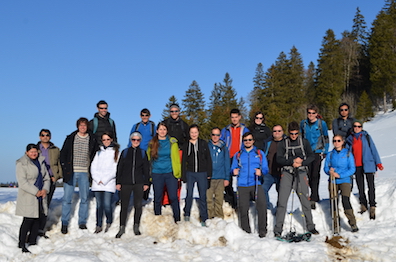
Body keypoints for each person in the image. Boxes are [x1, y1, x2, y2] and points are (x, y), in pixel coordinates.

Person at [274, 121, 319, 237]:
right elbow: (278, 159)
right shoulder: (283, 143)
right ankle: (278, 228)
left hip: (301, 173)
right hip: (287, 173)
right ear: (288, 132)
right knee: (282, 202)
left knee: (305, 200)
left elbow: (311, 156)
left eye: (295, 133)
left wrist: (302, 162)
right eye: (291, 134)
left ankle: (311, 226)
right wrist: (291, 162)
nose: (294, 136)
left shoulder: (304, 142)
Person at [60, 117, 98, 234]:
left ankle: (82, 222)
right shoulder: (71, 138)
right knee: (67, 199)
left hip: (84, 172)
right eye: (81, 125)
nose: (83, 127)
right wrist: (65, 168)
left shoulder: (92, 139)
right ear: (77, 126)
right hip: (71, 172)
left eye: (85, 125)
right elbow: (63, 154)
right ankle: (64, 222)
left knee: (84, 198)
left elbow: (95, 155)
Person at [231, 132, 269, 238]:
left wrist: (260, 172)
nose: (248, 142)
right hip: (242, 184)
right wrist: (234, 171)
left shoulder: (259, 153)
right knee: (243, 208)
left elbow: (265, 169)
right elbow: (232, 168)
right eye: (245, 140)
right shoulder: (238, 154)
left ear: (253, 141)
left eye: (250, 140)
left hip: (256, 183)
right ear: (243, 142)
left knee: (262, 206)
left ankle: (262, 230)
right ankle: (246, 230)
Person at [16, 144, 50, 253]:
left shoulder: (41, 161)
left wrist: (45, 190)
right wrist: (36, 192)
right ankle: (21, 244)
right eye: (31, 152)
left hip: (40, 195)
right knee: (28, 220)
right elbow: (23, 182)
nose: (34, 153)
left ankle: (32, 241)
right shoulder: (21, 163)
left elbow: (46, 178)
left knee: (37, 218)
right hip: (29, 195)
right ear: (26, 153)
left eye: (35, 151)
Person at [346, 120, 383, 220]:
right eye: (355, 126)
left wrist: (378, 162)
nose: (357, 128)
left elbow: (373, 149)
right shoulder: (350, 138)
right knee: (360, 186)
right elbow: (348, 153)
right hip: (357, 165)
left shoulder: (366, 136)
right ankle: (363, 204)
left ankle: (372, 205)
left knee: (371, 186)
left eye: (359, 126)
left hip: (368, 164)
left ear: (362, 127)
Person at [115, 132, 150, 237]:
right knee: (124, 206)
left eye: (138, 140)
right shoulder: (125, 152)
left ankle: (136, 226)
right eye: (134, 140)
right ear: (131, 140)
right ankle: (121, 227)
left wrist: (146, 182)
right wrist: (118, 182)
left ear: (140, 141)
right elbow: (119, 168)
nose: (136, 142)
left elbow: (146, 169)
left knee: (138, 205)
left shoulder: (143, 153)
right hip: (126, 182)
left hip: (138, 182)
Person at [147, 122, 181, 222]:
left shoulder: (172, 142)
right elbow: (148, 158)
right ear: (157, 131)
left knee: (173, 197)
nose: (162, 131)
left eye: (164, 129)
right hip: (156, 173)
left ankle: (177, 219)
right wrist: (149, 173)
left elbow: (176, 159)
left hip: (170, 172)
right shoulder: (152, 143)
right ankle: (157, 218)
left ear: (167, 131)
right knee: (158, 197)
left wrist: (178, 173)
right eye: (160, 129)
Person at [324, 135, 358, 233]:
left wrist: (340, 175)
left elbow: (352, 169)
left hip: (345, 180)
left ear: (342, 142)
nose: (336, 142)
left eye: (339, 140)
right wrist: (329, 172)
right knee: (333, 202)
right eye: (334, 141)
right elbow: (326, 167)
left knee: (345, 200)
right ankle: (336, 225)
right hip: (333, 180)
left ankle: (352, 223)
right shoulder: (330, 154)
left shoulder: (348, 153)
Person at [182, 125, 212, 226]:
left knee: (202, 195)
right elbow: (184, 161)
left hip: (202, 172)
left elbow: (208, 159)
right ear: (189, 133)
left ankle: (204, 218)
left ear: (198, 133)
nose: (194, 134)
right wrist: (183, 174)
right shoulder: (186, 145)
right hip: (190, 172)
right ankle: (187, 214)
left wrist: (209, 173)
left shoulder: (203, 143)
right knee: (189, 194)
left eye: (195, 132)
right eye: (192, 132)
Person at [300, 104, 329, 209]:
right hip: (306, 152)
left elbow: (326, 137)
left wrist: (325, 151)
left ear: (316, 114)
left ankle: (314, 196)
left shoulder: (321, 124)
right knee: (308, 174)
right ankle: (313, 195)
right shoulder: (303, 124)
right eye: (309, 113)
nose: (311, 115)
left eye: (313, 113)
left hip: (317, 151)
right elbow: (301, 136)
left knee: (315, 174)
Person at [91, 132, 120, 234]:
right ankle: (98, 225)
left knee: (107, 205)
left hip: (108, 183)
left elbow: (115, 169)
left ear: (111, 139)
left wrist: (105, 179)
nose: (106, 141)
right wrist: (97, 178)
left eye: (108, 139)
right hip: (97, 183)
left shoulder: (115, 152)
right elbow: (93, 166)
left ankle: (109, 222)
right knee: (99, 206)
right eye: (104, 140)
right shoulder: (99, 152)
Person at [220, 108, 249, 208]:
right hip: (228, 157)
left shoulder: (244, 129)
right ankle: (231, 201)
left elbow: (249, 141)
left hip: (240, 157)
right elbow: (221, 141)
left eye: (236, 117)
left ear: (240, 117)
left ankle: (242, 202)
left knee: (241, 180)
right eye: (232, 117)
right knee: (227, 180)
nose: (234, 119)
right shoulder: (226, 130)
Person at [36, 129, 62, 238]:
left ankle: (41, 229)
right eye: (43, 135)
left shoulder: (56, 149)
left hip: (51, 180)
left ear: (50, 137)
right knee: (36, 205)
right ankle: (33, 229)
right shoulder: (35, 149)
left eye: (47, 135)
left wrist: (57, 176)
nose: (45, 137)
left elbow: (60, 164)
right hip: (38, 180)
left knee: (46, 205)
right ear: (40, 137)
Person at [207, 127, 230, 219]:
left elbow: (227, 163)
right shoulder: (207, 146)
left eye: (217, 135)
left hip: (220, 177)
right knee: (208, 199)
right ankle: (209, 218)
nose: (215, 137)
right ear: (211, 135)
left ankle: (219, 218)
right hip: (209, 177)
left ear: (220, 136)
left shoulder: (224, 147)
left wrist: (227, 178)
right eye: (213, 134)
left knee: (219, 199)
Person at [262, 125, 286, 210]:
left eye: (279, 131)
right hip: (269, 172)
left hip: (282, 173)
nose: (277, 133)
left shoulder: (286, 142)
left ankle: (279, 210)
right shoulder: (268, 143)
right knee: (263, 189)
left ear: (282, 132)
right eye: (275, 131)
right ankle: (267, 208)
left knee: (282, 193)